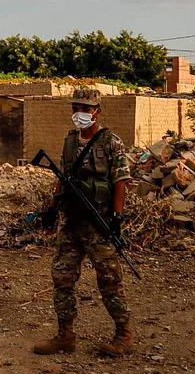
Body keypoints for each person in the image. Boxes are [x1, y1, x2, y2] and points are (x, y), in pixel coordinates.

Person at [32, 88, 133, 357]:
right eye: (76, 107)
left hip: (98, 222)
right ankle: (65, 335)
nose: (80, 113)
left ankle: (123, 334)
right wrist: (53, 208)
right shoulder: (69, 141)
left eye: (86, 108)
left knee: (109, 280)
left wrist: (116, 217)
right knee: (62, 278)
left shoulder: (111, 141)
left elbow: (120, 181)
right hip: (72, 221)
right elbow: (61, 176)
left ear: (97, 110)